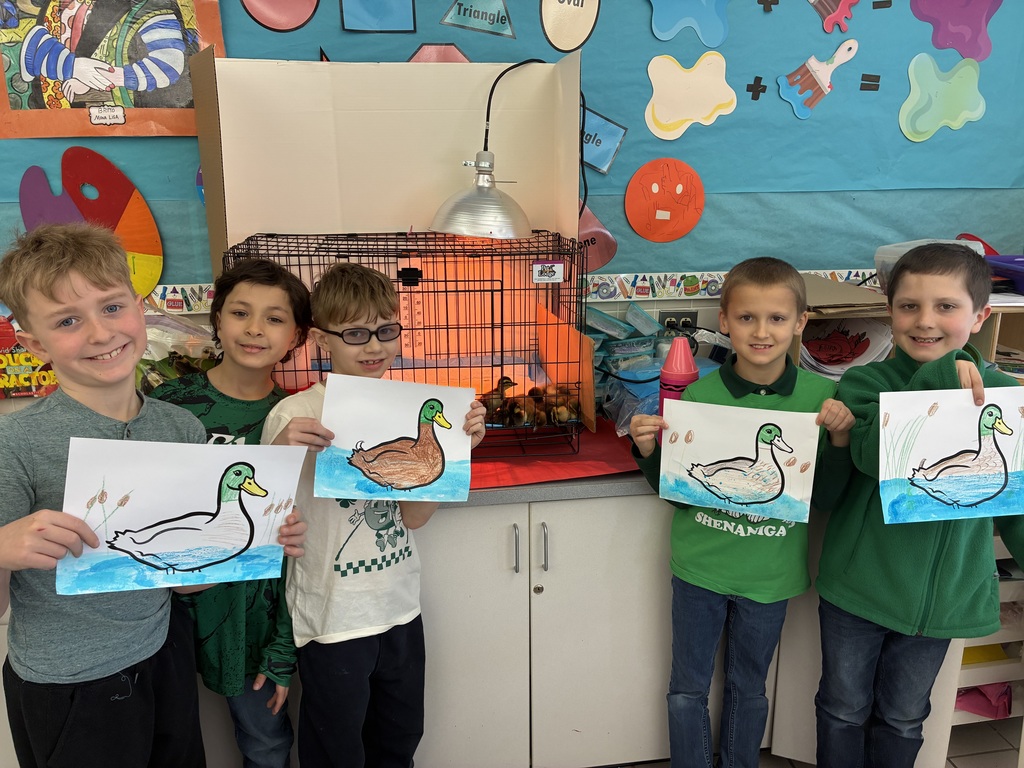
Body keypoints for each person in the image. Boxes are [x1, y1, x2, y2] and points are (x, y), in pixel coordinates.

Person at [0, 222, 307, 768]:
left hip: (164, 657)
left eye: (113, 307)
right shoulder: (15, 443)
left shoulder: (179, 428)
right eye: (68, 321)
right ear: (34, 344)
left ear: (140, 309)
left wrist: (257, 540)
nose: (100, 333)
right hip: (70, 680)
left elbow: (187, 582)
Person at [628, 256, 855, 768]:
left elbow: (827, 500)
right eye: (747, 317)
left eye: (777, 318)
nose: (761, 331)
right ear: (725, 322)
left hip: (770, 577)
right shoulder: (697, 396)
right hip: (699, 568)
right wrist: (648, 452)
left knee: (748, 688)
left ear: (800, 323)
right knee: (686, 687)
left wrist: (839, 437)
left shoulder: (822, 400)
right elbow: (678, 491)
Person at [261, 261, 487, 768]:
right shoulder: (295, 414)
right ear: (321, 339)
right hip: (331, 618)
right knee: (336, 751)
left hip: (399, 609)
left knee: (400, 740)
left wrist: (457, 451)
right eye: (357, 333)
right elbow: (265, 522)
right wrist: (280, 452)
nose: (375, 346)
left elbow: (415, 518)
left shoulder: (410, 407)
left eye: (386, 330)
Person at [813, 242, 1024, 767]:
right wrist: (938, 379)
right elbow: (868, 455)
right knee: (842, 708)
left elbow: (1015, 500)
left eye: (946, 306)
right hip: (859, 591)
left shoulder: (1005, 395)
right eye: (909, 306)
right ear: (890, 311)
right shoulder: (866, 382)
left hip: (944, 600)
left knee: (905, 716)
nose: (925, 320)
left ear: (980, 316)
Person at [152, 258, 312, 768]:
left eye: (274, 317)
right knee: (166, 741)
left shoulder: (297, 417)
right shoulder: (168, 406)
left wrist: (281, 646)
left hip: (256, 619)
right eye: (240, 312)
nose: (254, 329)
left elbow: (294, 548)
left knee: (266, 740)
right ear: (217, 319)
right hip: (166, 615)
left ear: (298, 336)